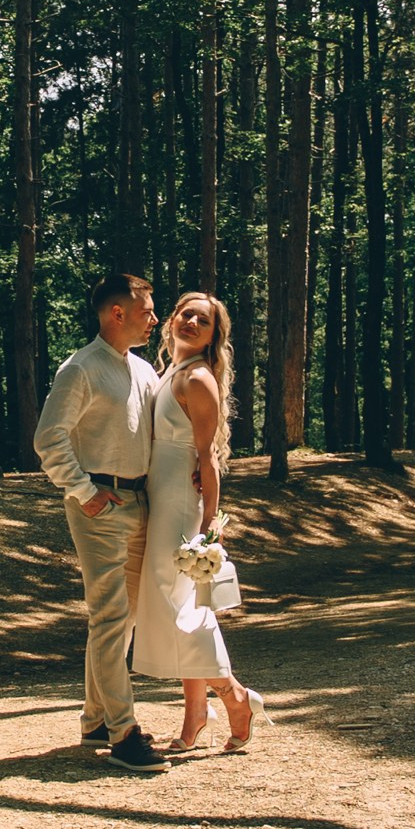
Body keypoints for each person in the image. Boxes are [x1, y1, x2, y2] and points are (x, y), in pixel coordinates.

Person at [31, 270, 168, 773]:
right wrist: (85, 492)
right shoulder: (81, 368)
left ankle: (94, 718)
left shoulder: (143, 370)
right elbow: (50, 438)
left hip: (140, 503)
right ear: (118, 312)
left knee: (120, 619)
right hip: (101, 506)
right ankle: (124, 733)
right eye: (148, 309)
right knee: (111, 616)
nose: (155, 318)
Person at [135, 292, 260, 754]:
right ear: (171, 320)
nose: (190, 322)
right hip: (158, 498)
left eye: (202, 320)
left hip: (181, 507)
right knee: (181, 609)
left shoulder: (199, 378)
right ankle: (195, 713)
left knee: (180, 611)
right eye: (185, 314)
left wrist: (210, 525)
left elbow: (207, 457)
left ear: (212, 336)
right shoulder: (170, 372)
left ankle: (233, 696)